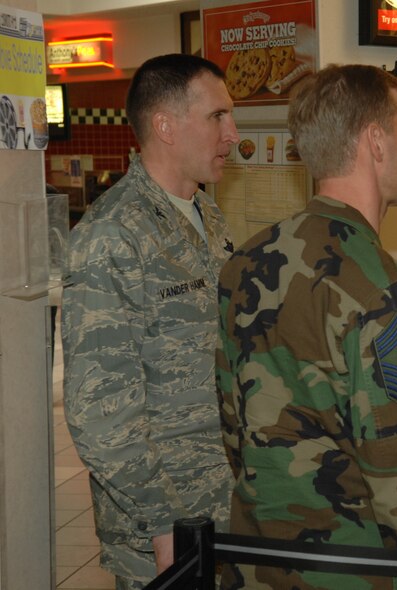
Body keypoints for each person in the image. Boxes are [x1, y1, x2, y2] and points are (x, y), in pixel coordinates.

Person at [215, 64, 397, 590]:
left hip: (259, 559)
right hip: (353, 569)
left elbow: (234, 426)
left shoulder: (244, 263)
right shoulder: (384, 288)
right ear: (376, 142)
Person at [62, 53, 238, 588]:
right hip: (165, 527)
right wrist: (164, 523)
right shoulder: (112, 236)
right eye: (217, 117)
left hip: (228, 505)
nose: (233, 134)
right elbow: (99, 410)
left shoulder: (208, 216)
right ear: (164, 126)